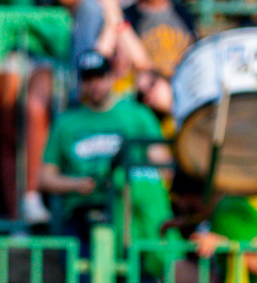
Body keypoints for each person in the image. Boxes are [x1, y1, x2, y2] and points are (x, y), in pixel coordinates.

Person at [0, 0, 79, 219]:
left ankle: (31, 194)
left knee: (35, 108)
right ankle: (13, 210)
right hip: (9, 52)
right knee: (6, 123)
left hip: (46, 56)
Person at [38, 46, 164, 237]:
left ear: (112, 77)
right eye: (89, 79)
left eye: (100, 77)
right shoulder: (66, 122)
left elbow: (162, 162)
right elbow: (45, 177)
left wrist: (127, 179)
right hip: (83, 210)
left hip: (131, 207)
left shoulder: (138, 115)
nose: (95, 84)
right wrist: (77, 184)